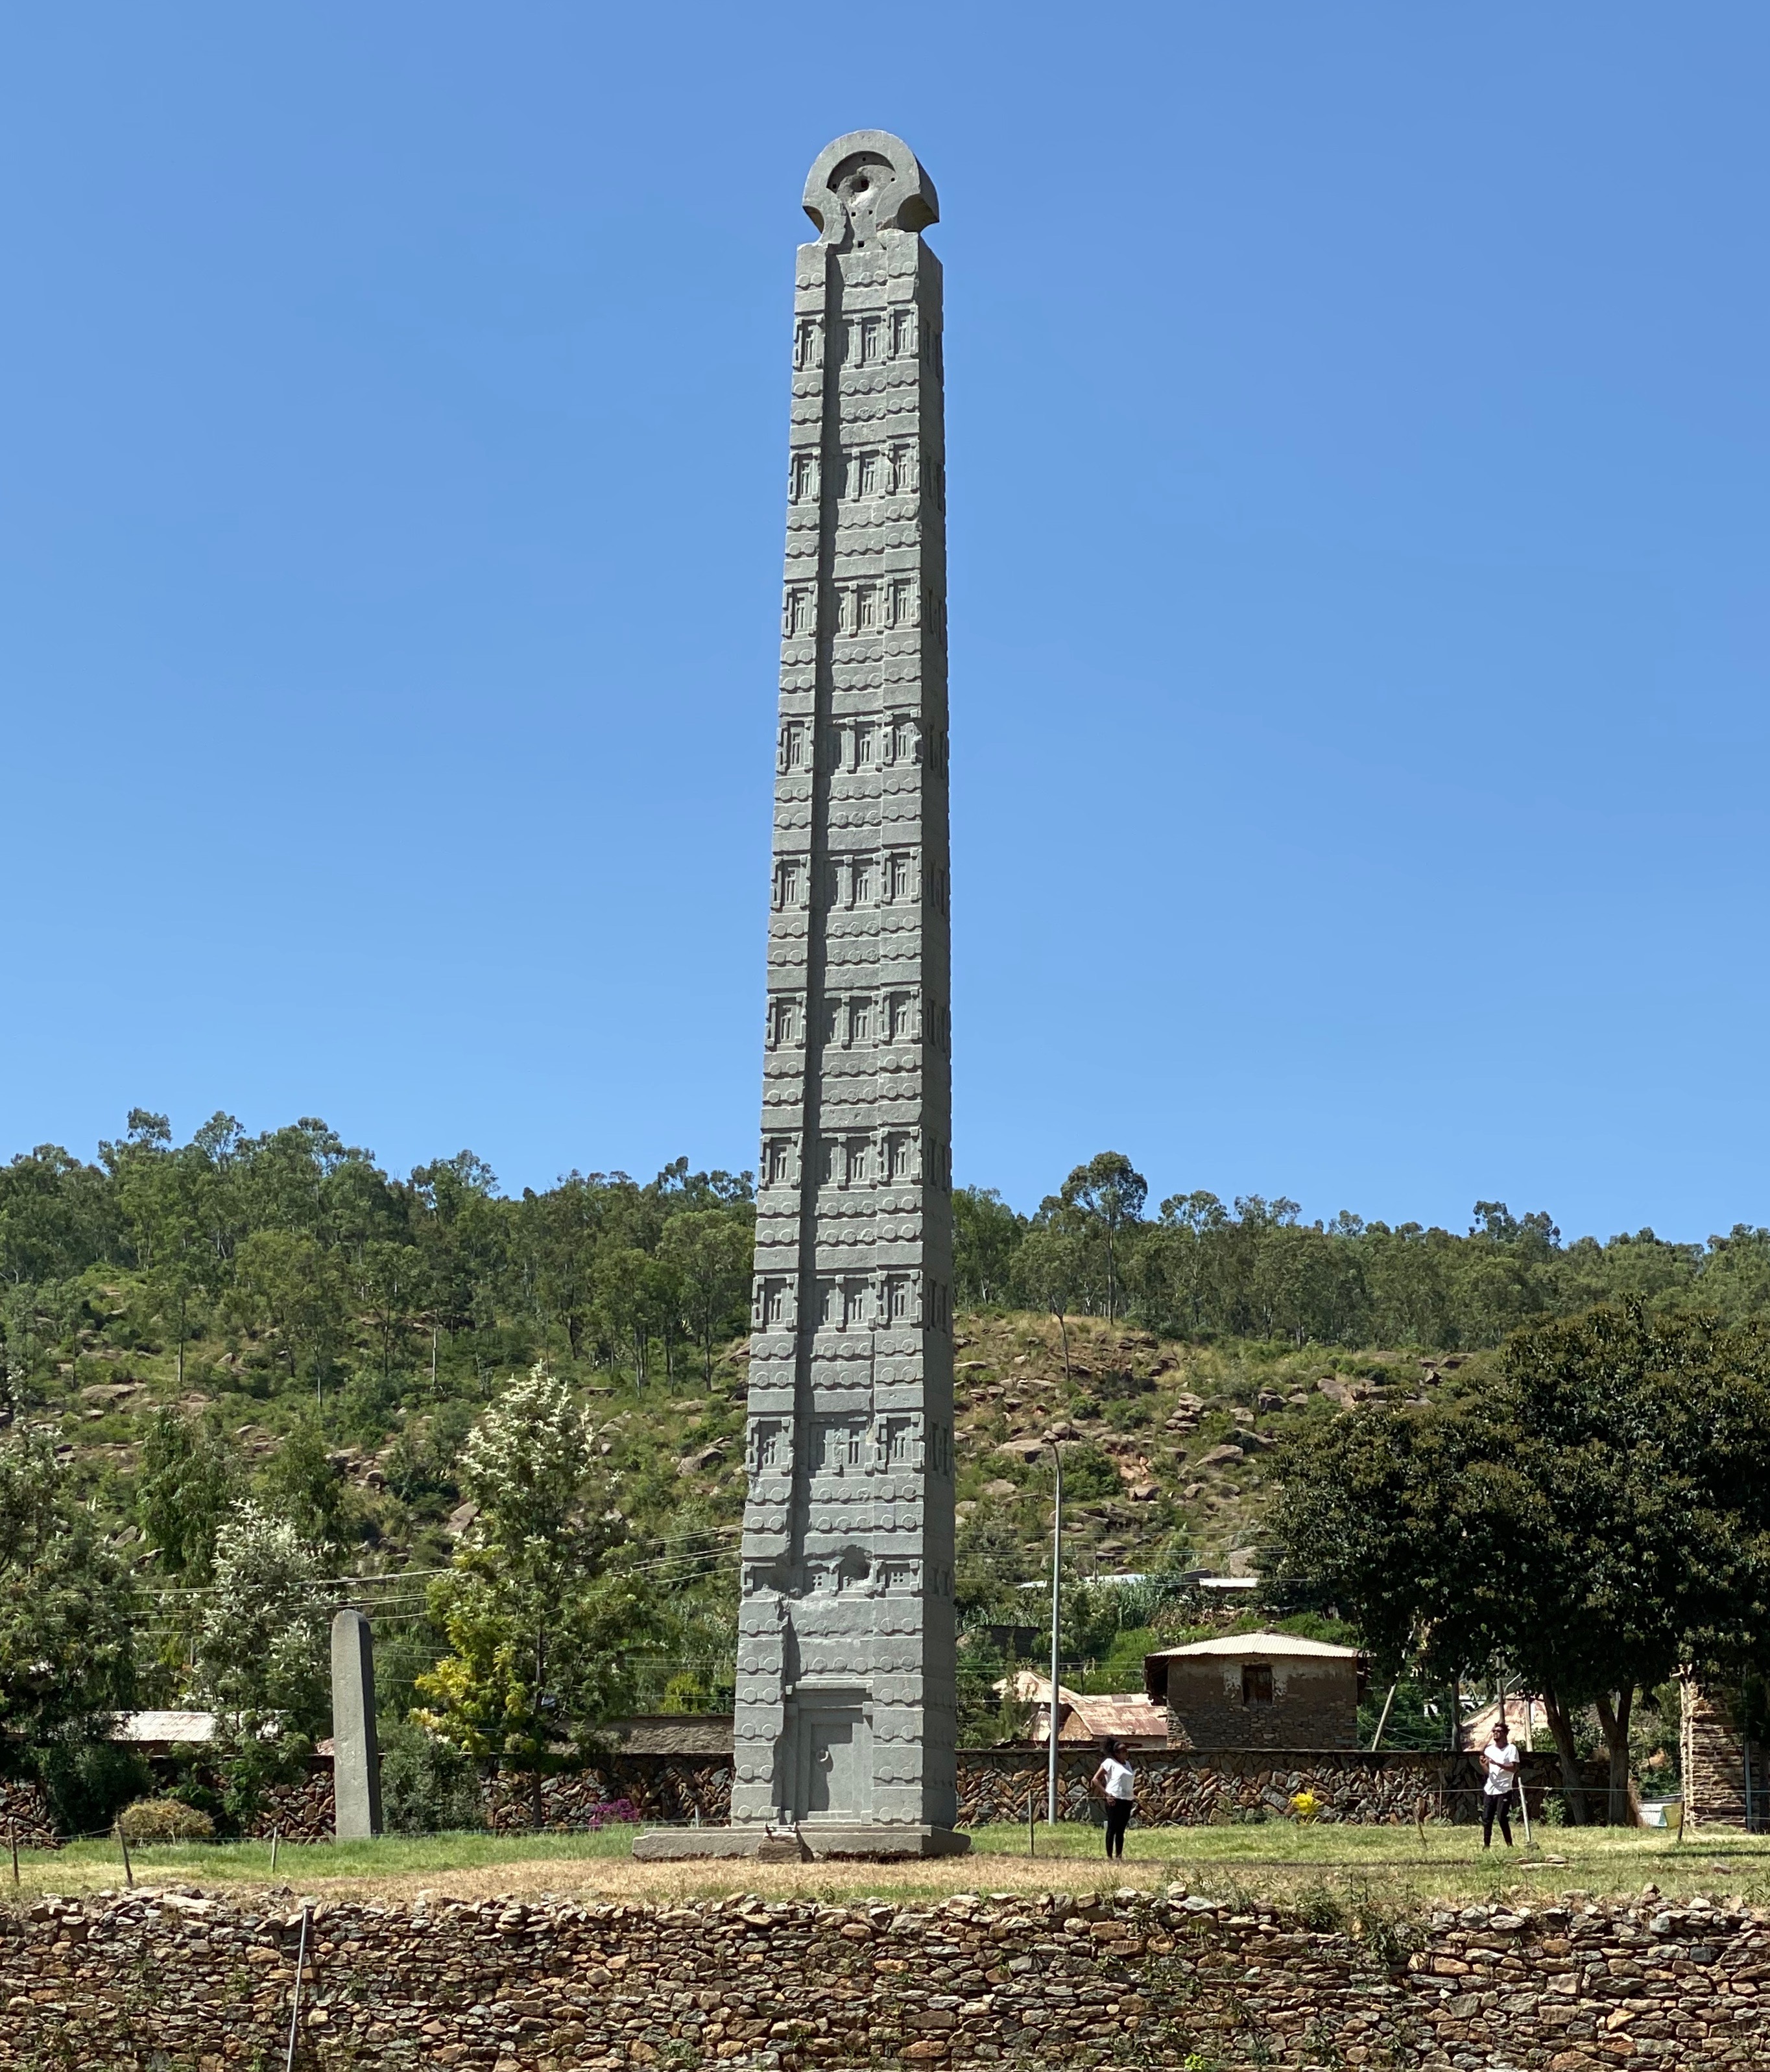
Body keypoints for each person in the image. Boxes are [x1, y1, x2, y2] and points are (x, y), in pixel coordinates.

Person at [1478, 1718, 1522, 1848]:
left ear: (1505, 1734)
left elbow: (1514, 1768)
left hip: (1504, 1789)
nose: (1495, 1733)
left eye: (1498, 1731)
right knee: (1487, 1819)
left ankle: (1509, 1844)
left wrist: (1499, 1764)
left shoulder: (1511, 1749)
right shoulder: (1489, 1750)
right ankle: (1486, 1845)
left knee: (1502, 1818)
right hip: (1490, 1789)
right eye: (1494, 1731)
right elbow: (1487, 1772)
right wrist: (1483, 1765)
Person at [1093, 1737, 1136, 1859]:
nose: (1126, 1753)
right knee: (1112, 1827)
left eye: (1126, 1750)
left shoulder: (1127, 1764)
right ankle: (1109, 1856)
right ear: (1116, 1753)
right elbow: (1095, 1779)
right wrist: (1106, 1794)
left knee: (1121, 1829)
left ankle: (1119, 1855)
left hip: (1127, 1799)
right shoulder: (1109, 1763)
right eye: (1123, 1751)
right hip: (1114, 1798)